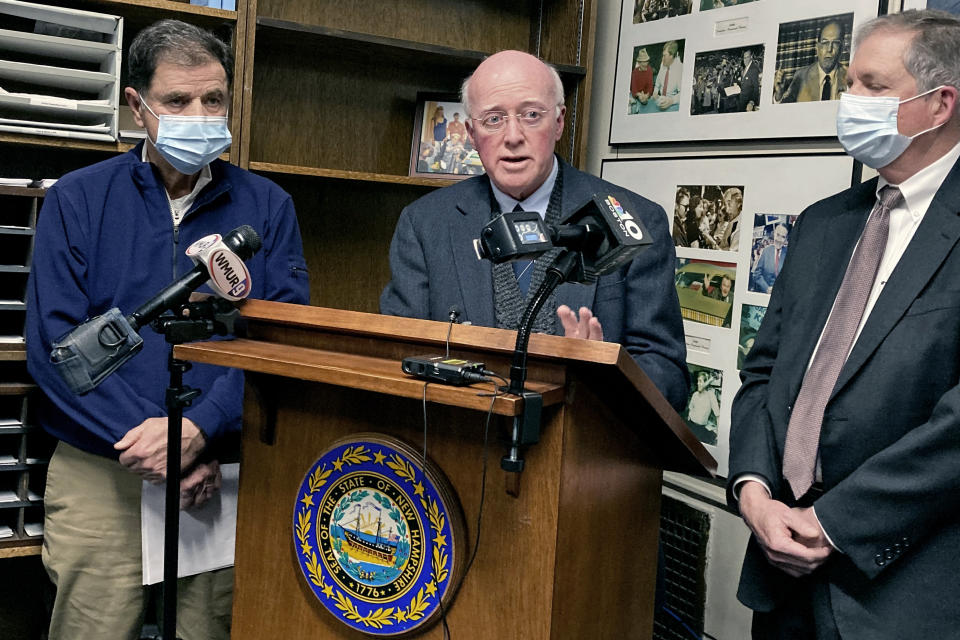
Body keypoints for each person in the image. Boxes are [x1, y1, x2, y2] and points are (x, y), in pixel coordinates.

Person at [25, 19, 310, 640]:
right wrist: (158, 444)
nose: (200, 115)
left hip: (219, 473)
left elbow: (279, 343)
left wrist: (200, 430)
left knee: (209, 629)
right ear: (137, 106)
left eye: (213, 99)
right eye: (178, 101)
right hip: (104, 467)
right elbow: (55, 346)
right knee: (93, 627)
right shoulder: (78, 199)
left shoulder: (268, 207)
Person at [727, 10, 960, 638]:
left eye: (872, 86)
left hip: (904, 593)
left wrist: (836, 522)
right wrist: (752, 491)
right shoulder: (823, 223)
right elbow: (764, 372)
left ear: (939, 104)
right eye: (849, 82)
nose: (849, 100)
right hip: (781, 582)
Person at [380, 49, 689, 413]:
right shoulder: (425, 224)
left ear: (558, 122)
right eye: (493, 119)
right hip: (459, 445)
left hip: (582, 455)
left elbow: (670, 380)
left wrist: (604, 373)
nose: (513, 136)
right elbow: (399, 358)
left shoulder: (637, 219)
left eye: (531, 115)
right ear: (471, 133)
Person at [775, 21, 848, 104]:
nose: (829, 49)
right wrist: (779, 94)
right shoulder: (801, 76)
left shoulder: (850, 77)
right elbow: (784, 109)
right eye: (825, 43)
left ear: (842, 48)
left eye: (835, 43)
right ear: (817, 47)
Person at [751, 223, 788, 293]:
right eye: (778, 235)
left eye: (783, 237)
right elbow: (756, 274)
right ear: (774, 234)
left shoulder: (789, 254)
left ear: (786, 239)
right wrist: (766, 288)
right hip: (765, 293)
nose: (779, 240)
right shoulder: (766, 251)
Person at [685, 370, 720, 444]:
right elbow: (691, 408)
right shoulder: (695, 394)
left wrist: (719, 432)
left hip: (700, 429)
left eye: (700, 381)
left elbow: (717, 415)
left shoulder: (711, 395)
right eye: (698, 381)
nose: (698, 383)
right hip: (690, 425)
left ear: (706, 383)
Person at [653, 41, 683, 111]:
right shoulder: (663, 64)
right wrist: (655, 92)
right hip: (660, 103)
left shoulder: (680, 69)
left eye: (664, 56)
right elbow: (657, 85)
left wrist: (671, 101)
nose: (662, 59)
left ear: (672, 56)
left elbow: (683, 94)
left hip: (673, 106)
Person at [630, 48, 654, 113]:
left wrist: (647, 95)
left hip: (647, 97)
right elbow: (634, 89)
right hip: (638, 96)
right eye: (643, 62)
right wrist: (639, 95)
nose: (646, 64)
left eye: (647, 61)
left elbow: (650, 87)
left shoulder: (649, 70)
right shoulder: (635, 72)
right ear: (639, 63)